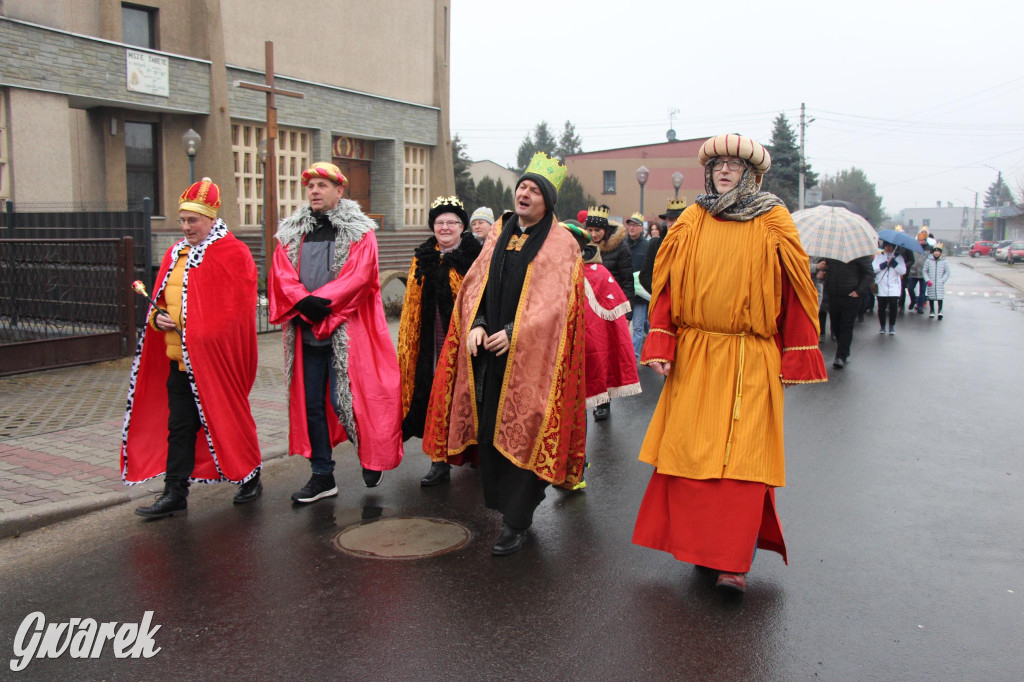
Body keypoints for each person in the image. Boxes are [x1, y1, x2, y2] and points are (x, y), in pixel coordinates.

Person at [633, 134, 827, 594]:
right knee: (692, 455)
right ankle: (702, 551)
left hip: (750, 355)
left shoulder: (774, 219)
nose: (724, 170)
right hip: (697, 355)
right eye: (718, 163)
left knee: (742, 462)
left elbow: (798, 288)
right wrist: (661, 342)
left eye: (734, 165)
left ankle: (733, 564)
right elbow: (667, 286)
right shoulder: (691, 221)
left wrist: (797, 355)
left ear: (751, 174)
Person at [422, 152, 587, 556]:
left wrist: (515, 333)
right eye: (522, 187)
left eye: (534, 189)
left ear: (548, 200)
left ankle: (517, 520)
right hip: (489, 356)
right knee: (495, 428)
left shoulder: (561, 243)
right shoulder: (500, 230)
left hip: (536, 360)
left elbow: (557, 306)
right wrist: (477, 324)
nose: (524, 193)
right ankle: (507, 510)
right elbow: (477, 283)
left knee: (529, 425)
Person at [124, 177, 263, 518]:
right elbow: (160, 300)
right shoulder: (175, 252)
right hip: (178, 362)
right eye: (182, 220)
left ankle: (250, 475)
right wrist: (158, 321)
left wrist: (194, 328)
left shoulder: (234, 253)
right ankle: (175, 493)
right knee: (180, 427)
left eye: (192, 220)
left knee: (229, 419)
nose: (185, 227)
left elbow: (236, 312)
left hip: (216, 363)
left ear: (211, 219)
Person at [269, 162, 403, 504]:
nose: (314, 190)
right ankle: (321, 475)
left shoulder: (360, 232)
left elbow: (359, 278)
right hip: (306, 331)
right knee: (311, 402)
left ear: (339, 191)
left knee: (349, 399)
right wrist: (304, 303)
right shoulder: (290, 232)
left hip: (347, 331)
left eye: (322, 185)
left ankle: (371, 455)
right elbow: (281, 274)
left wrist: (321, 304)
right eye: (311, 185)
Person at [397, 196, 482, 486]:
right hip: (431, 344)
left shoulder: (476, 257)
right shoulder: (423, 257)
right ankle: (439, 461)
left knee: (469, 398)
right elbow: (411, 304)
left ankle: (474, 452)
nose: (445, 227)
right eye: (439, 222)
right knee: (436, 397)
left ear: (462, 226)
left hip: (466, 343)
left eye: (451, 222)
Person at [585, 206, 634, 421]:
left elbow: (627, 280)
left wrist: (627, 310)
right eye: (590, 230)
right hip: (590, 312)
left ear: (605, 230)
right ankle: (594, 397)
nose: (594, 234)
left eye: (597, 230)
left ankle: (604, 402)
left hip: (612, 311)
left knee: (607, 356)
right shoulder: (583, 248)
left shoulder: (620, 250)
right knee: (594, 356)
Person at [818, 255, 873, 369]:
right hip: (833, 294)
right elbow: (827, 268)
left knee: (846, 326)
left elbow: (868, 273)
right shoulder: (833, 253)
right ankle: (845, 349)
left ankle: (840, 356)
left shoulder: (860, 253)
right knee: (836, 325)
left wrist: (859, 291)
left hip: (851, 296)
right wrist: (823, 273)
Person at [624, 211, 650, 361]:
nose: (632, 228)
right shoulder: (623, 244)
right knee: (626, 325)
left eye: (635, 225)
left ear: (641, 228)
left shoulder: (646, 246)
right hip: (626, 291)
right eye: (630, 225)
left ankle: (633, 357)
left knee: (638, 326)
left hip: (640, 292)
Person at [872, 241, 907, 335]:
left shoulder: (898, 258)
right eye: (886, 246)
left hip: (893, 286)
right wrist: (884, 264)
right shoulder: (879, 257)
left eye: (891, 246)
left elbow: (903, 271)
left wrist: (894, 264)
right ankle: (882, 326)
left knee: (893, 306)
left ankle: (892, 326)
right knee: (881, 307)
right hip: (881, 285)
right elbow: (874, 268)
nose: (888, 248)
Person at [922, 244, 950, 319]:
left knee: (940, 297)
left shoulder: (944, 261)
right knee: (931, 297)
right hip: (931, 282)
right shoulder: (928, 261)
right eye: (935, 251)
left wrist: (942, 280)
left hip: (939, 282)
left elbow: (947, 272)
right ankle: (932, 310)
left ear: (940, 252)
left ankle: (940, 311)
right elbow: (924, 271)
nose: (936, 253)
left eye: (938, 251)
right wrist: (927, 280)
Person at [907, 229, 929, 313]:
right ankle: (913, 300)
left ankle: (920, 306)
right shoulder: (913, 247)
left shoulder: (929, 248)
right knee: (910, 288)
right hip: (913, 271)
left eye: (922, 240)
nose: (920, 242)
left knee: (922, 291)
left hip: (923, 273)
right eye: (919, 240)